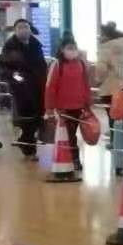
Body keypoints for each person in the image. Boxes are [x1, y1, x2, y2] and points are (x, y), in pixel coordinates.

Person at [0, 18, 46, 159]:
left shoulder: (36, 45)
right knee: (27, 119)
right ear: (15, 30)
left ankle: (24, 141)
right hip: (21, 88)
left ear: (30, 29)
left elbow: (41, 64)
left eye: (26, 27)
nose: (23, 30)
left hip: (37, 86)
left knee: (37, 118)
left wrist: (45, 78)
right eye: (20, 27)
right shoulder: (10, 46)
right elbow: (2, 67)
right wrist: (14, 76)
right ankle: (30, 150)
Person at [45, 35, 92, 170]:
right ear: (62, 49)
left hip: (78, 106)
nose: (72, 51)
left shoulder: (81, 64)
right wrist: (49, 108)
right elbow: (50, 87)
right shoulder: (57, 65)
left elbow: (85, 84)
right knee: (69, 135)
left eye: (74, 48)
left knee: (72, 133)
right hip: (63, 108)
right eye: (69, 48)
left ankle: (70, 158)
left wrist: (88, 102)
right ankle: (74, 159)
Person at [97, 22, 123, 172]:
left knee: (113, 119)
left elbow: (101, 69)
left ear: (106, 35)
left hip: (110, 89)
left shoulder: (105, 48)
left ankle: (116, 144)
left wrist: (98, 80)